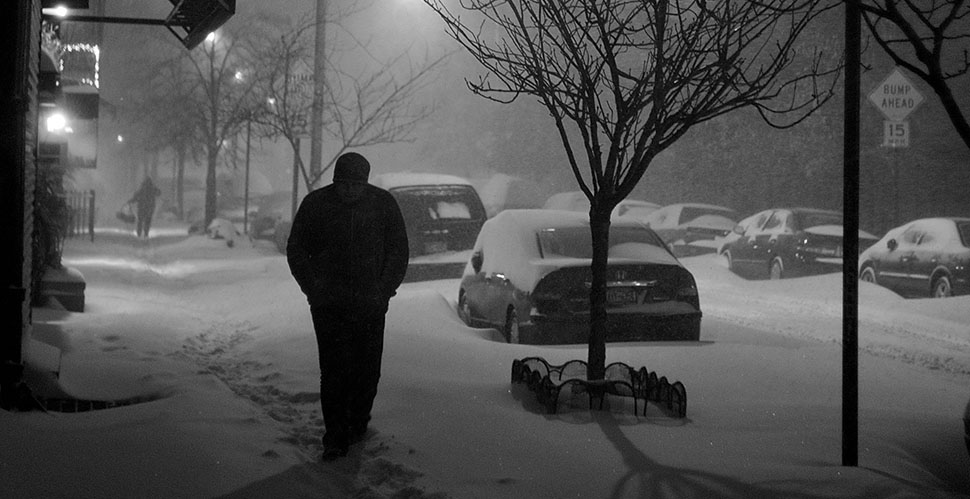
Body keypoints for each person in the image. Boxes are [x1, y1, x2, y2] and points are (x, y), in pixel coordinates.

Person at [286, 152, 409, 460]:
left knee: (368, 372)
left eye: (357, 184)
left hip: (370, 305)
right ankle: (336, 437)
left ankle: (357, 424)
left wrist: (383, 291)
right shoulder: (316, 205)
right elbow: (297, 250)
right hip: (329, 306)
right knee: (334, 372)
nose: (351, 190)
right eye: (345, 184)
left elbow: (398, 251)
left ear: (365, 183)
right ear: (336, 181)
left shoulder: (382, 205)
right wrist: (314, 289)